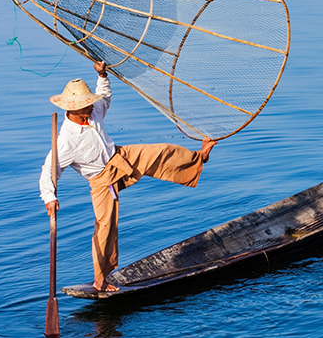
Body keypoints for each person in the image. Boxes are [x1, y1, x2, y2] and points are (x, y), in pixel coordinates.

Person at [40, 61, 216, 292]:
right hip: (102, 179)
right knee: (105, 227)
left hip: (120, 156)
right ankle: (100, 279)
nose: (92, 106)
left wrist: (102, 75)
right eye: (86, 105)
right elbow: (48, 171)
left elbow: (104, 96)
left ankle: (198, 158)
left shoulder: (93, 112)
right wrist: (49, 198)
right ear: (73, 109)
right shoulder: (65, 141)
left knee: (161, 152)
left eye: (90, 103)